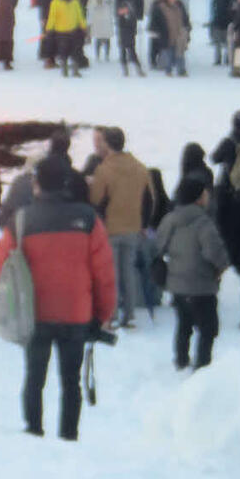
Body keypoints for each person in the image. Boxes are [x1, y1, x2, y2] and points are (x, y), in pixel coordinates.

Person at [0, 153, 116, 440]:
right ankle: (69, 434)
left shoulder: (22, 221)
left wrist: (14, 299)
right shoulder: (88, 220)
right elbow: (104, 275)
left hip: (35, 314)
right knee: (71, 381)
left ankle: (34, 430)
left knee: (34, 377)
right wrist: (103, 314)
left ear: (36, 185)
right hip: (77, 314)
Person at [152, 177, 230, 369]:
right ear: (198, 198)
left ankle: (181, 360)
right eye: (205, 193)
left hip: (177, 284)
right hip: (202, 285)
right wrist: (222, 265)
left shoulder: (170, 220)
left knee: (183, 325)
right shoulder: (204, 223)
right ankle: (202, 365)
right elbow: (213, 252)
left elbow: (159, 246)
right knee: (208, 329)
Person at [88, 128, 151, 329]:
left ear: (107, 143)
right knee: (129, 271)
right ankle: (130, 314)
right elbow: (150, 198)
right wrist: (144, 223)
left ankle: (112, 314)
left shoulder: (104, 169)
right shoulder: (140, 167)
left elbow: (95, 199)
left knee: (112, 273)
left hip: (111, 228)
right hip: (133, 226)